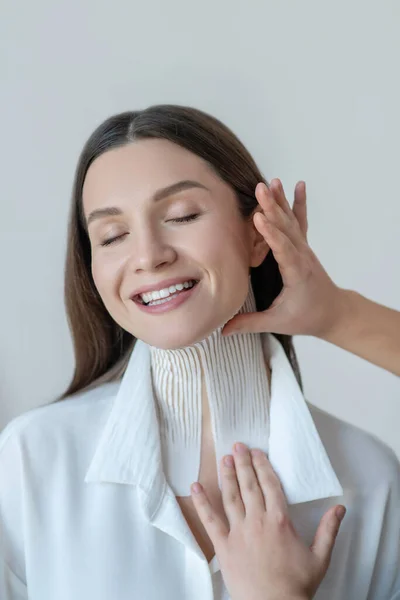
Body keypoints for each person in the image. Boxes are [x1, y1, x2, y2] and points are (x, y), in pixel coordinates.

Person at [0, 105, 399, 600]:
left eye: (182, 215)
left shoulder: (371, 479)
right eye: (113, 235)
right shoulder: (30, 460)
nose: (148, 255)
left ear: (257, 235)